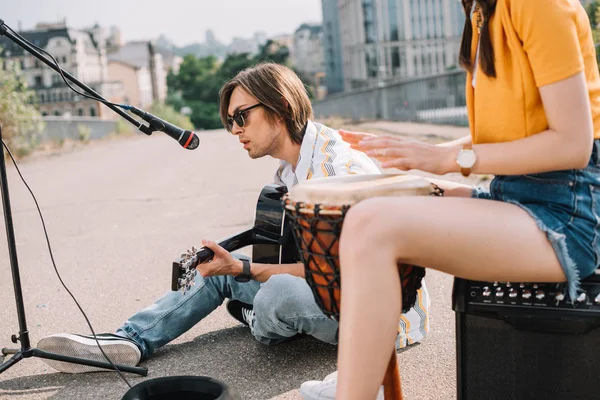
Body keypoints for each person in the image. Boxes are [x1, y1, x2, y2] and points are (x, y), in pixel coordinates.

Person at [37, 63, 431, 395]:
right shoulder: (294, 165)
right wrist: (237, 268)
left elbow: (346, 276)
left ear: (278, 106)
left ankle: (260, 321)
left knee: (274, 293)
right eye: (230, 121)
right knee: (216, 272)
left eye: (241, 116)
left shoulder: (334, 172)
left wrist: (248, 273)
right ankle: (129, 340)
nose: (235, 130)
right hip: (332, 289)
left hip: (383, 315)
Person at [330, 0, 600, 398]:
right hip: (514, 194)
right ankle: (357, 380)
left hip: (565, 216)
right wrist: (422, 155)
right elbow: (508, 135)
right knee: (376, 207)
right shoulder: (482, 11)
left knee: (372, 225)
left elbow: (573, 144)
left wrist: (448, 159)